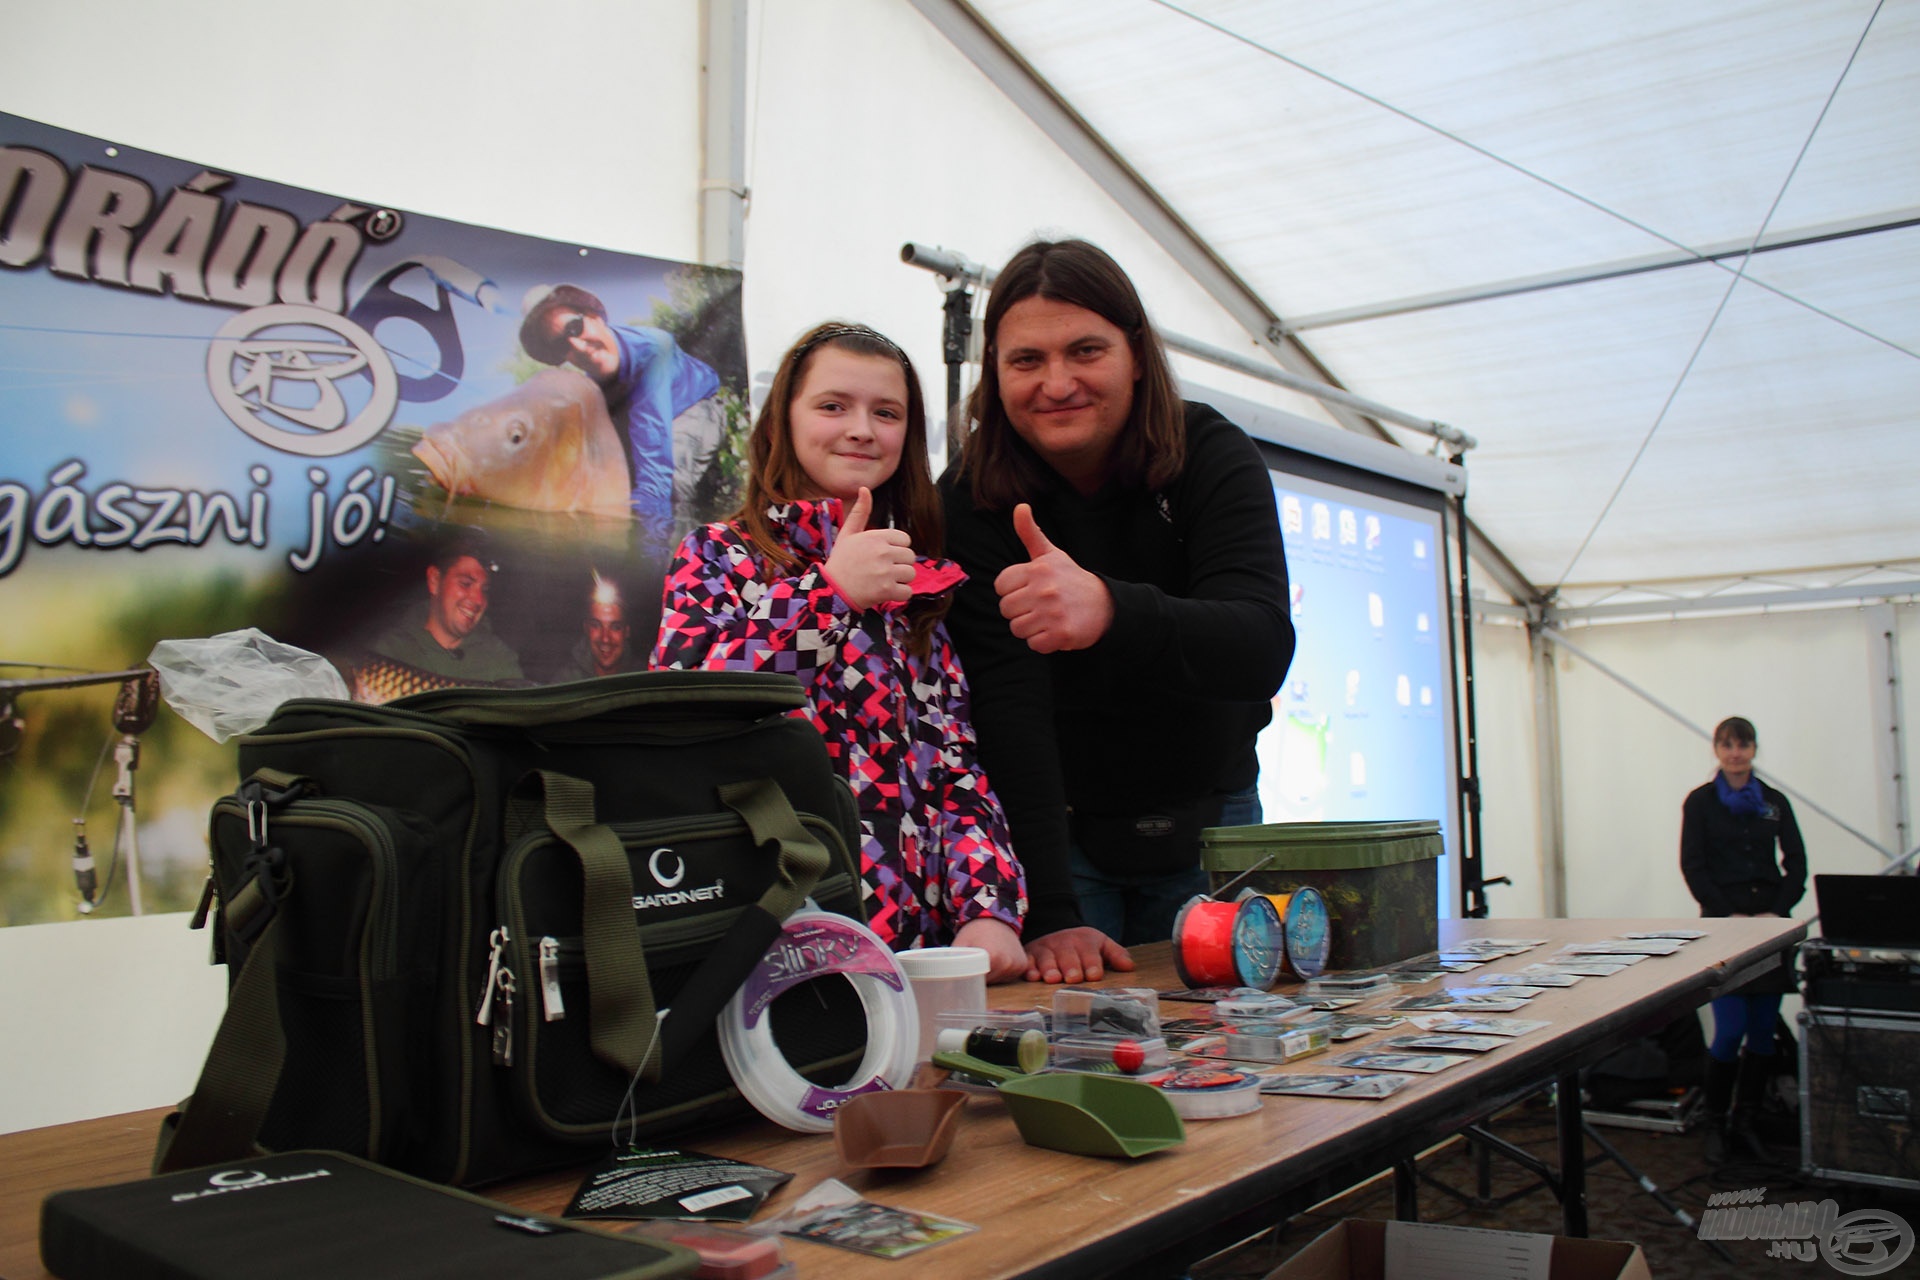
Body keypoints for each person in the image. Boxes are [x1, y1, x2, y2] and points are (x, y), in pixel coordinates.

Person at [939, 238, 1294, 984]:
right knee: (1077, 1060)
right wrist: (1053, 910)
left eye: (1085, 350)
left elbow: (1261, 644)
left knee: (1228, 1053)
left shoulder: (1211, 453)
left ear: (1136, 353)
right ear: (994, 373)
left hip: (1215, 816)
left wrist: (1109, 611)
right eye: (1026, 360)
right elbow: (1007, 704)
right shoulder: (970, 497)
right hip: (1056, 838)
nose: (1057, 382)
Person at [652, 322, 1028, 978]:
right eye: (833, 405)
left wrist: (987, 906)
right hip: (766, 951)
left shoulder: (915, 587)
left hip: (913, 964)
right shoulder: (718, 554)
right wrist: (831, 595)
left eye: (886, 413)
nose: (860, 428)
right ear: (782, 421)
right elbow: (684, 710)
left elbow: (956, 771)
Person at [1679, 715, 1806, 1163]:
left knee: (1763, 1035)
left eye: (1743, 745)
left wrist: (1778, 911)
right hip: (1724, 928)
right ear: (1716, 749)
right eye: (1727, 745)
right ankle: (1715, 1121)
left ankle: (1746, 1120)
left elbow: (1796, 864)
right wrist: (1724, 913)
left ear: (1753, 750)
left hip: (1769, 927)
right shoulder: (1700, 802)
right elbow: (1693, 865)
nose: (1736, 753)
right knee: (1729, 1030)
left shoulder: (1774, 801)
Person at [520, 284, 727, 553]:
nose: (577, 346)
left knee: (669, 489)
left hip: (697, 408)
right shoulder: (591, 388)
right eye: (561, 345)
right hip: (641, 423)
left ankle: (678, 571)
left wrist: (649, 558)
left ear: (594, 316)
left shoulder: (652, 350)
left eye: (574, 328)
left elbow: (655, 463)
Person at [357, 535, 524, 702]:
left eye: (485, 590)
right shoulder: (390, 648)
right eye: (465, 583)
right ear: (435, 580)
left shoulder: (500, 660)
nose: (478, 600)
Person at [549, 574, 639, 682]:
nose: (605, 638)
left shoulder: (642, 679)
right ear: (586, 629)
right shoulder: (566, 682)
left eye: (615, 627)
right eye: (596, 625)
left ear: (626, 632)